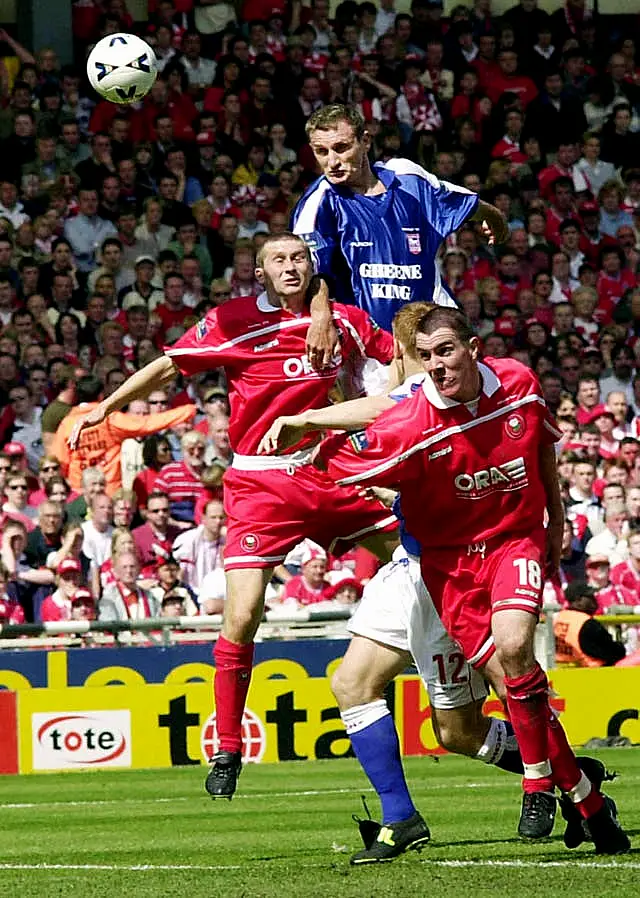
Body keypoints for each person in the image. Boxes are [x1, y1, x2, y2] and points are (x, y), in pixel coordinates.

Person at [279, 304, 628, 854]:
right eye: (415, 354)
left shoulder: (498, 387)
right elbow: (373, 426)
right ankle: (404, 817)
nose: (426, 366)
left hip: (487, 550)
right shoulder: (405, 407)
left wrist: (555, 525)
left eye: (439, 351)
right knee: (352, 684)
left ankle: (565, 784)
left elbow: (536, 454)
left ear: (470, 347)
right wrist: (302, 436)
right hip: (421, 565)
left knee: (467, 721)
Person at [68, 232, 398, 801]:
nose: (289, 267)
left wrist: (380, 417)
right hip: (261, 481)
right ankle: (226, 746)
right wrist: (105, 408)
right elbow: (168, 367)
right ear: (260, 273)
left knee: (424, 562)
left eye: (298, 258)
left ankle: (464, 685)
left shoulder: (343, 319)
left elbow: (400, 366)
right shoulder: (233, 320)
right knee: (242, 617)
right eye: (277, 261)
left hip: (330, 466)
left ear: (310, 266)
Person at [291, 104, 508, 344]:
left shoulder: (406, 177)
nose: (332, 161)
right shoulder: (317, 202)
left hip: (436, 329)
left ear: (365, 141)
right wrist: (321, 319)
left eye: (341, 148)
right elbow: (311, 272)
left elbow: (460, 201)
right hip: (370, 348)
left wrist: (495, 218)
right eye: (321, 151)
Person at [51, 374, 197, 495]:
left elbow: (60, 461)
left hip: (80, 492)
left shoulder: (67, 424)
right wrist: (189, 410)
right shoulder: (110, 418)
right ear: (101, 395)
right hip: (110, 492)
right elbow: (146, 424)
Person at [554, 582, 626, 668]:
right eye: (590, 597)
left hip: (561, 672)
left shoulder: (558, 617)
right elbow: (613, 652)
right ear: (578, 600)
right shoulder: (588, 624)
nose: (595, 599)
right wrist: (621, 647)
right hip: (592, 674)